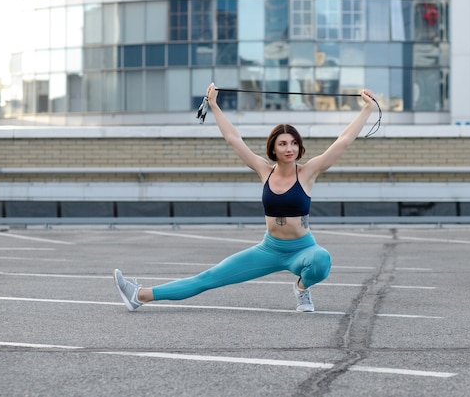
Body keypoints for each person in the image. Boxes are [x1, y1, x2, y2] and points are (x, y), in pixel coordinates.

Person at [113, 83, 376, 312]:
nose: (289, 148)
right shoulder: (264, 170)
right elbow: (233, 139)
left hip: (302, 249)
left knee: (322, 260)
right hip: (270, 249)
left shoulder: (308, 172)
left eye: (293, 143)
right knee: (208, 277)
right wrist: (214, 105)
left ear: (299, 146)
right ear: (273, 147)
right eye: (283, 143)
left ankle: (301, 288)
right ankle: (139, 295)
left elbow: (342, 141)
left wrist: (367, 109)